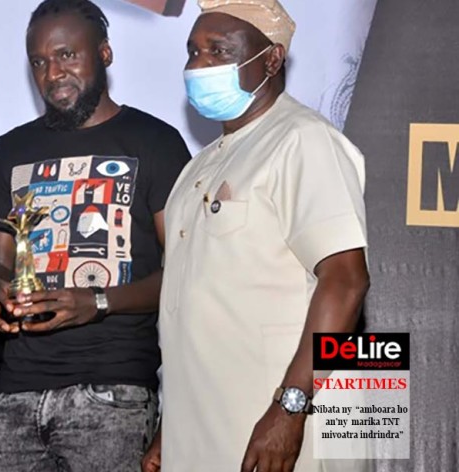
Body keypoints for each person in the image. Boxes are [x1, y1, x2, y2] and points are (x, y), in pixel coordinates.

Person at [141, 1, 370, 471]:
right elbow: (192, 308)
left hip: (282, 430)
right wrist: (171, 427)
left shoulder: (303, 139)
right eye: (194, 51)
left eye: (219, 51)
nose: (199, 65)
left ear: (271, 60)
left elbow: (347, 281)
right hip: (203, 433)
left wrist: (290, 408)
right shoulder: (197, 167)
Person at [0, 0, 191, 470]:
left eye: (67, 55)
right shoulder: (12, 149)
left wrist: (98, 302)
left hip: (112, 395)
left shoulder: (155, 141)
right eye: (39, 62)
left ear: (105, 53)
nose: (53, 73)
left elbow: (186, 272)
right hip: (12, 396)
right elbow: (0, 257)